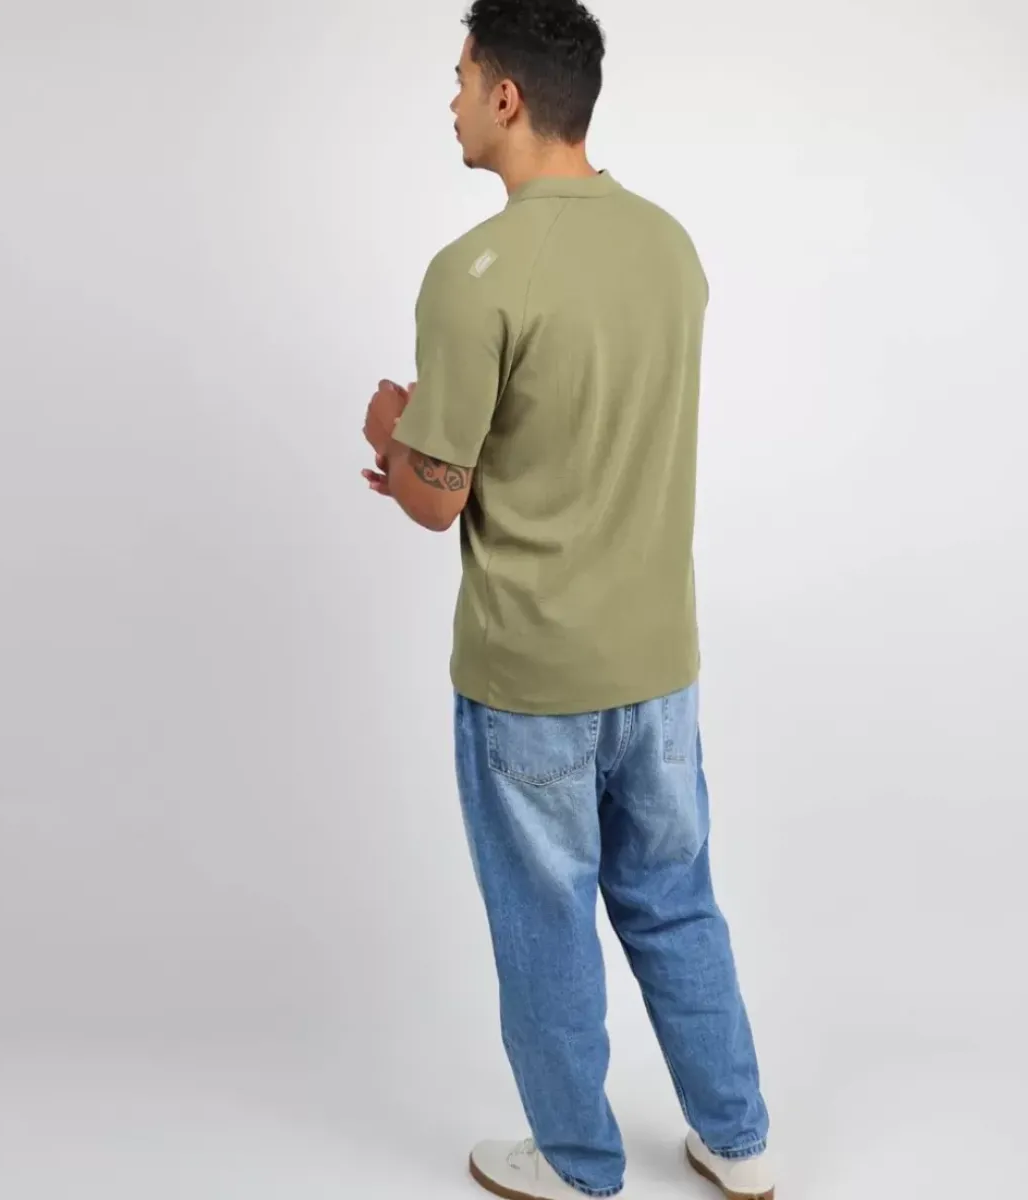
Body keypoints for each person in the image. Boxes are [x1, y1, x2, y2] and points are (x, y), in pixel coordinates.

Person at [361, 3, 774, 1197]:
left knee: (545, 923)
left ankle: (581, 1164)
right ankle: (740, 1142)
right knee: (676, 902)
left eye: (460, 77)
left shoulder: (471, 274)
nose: (450, 99)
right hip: (659, 663)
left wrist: (395, 439)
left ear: (507, 97)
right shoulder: (670, 246)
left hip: (531, 675)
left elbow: (437, 498)